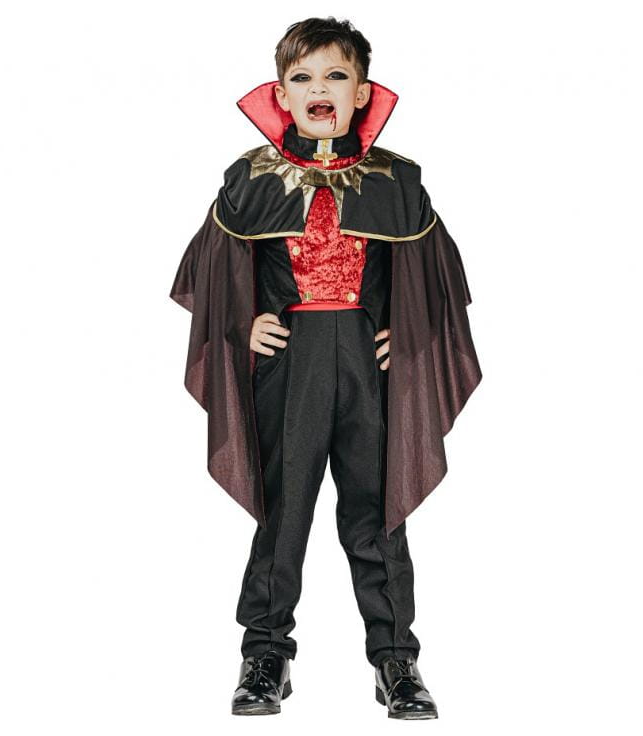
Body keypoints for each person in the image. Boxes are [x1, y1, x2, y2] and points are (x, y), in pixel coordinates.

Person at [169, 17, 482, 719]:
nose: (321, 88)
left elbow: (438, 275)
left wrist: (408, 331)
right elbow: (209, 271)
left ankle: (396, 661)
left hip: (369, 366)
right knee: (283, 512)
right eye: (303, 76)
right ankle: (265, 656)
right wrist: (243, 323)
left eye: (336, 75)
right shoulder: (251, 178)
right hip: (291, 363)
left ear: (361, 92)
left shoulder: (397, 180)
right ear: (281, 94)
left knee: (377, 513)